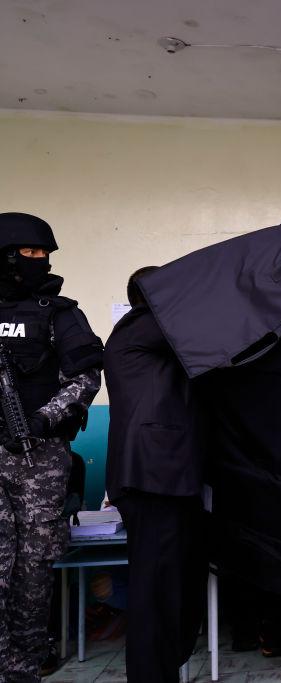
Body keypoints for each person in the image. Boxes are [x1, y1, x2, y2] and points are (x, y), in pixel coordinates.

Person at [0, 212, 103, 682]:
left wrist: (44, 418)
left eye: (44, 253)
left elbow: (85, 378)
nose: (39, 260)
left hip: (37, 458)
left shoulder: (59, 313)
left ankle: (24, 666)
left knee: (34, 568)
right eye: (29, 252)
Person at [104, 266, 209, 682]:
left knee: (168, 584)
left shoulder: (146, 333)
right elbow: (207, 336)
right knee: (155, 587)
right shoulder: (143, 324)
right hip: (153, 477)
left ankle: (161, 668)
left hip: (163, 477)